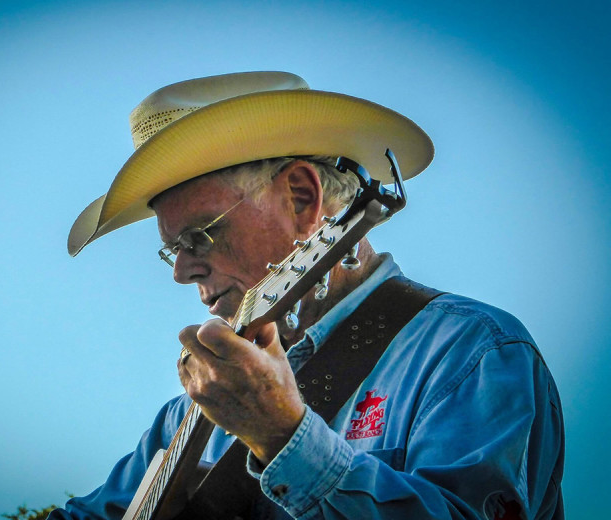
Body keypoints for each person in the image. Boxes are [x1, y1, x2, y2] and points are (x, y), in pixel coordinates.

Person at [49, 72, 564, 520]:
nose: (182, 271)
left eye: (200, 235)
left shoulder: (472, 353)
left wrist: (282, 436)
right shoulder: (188, 416)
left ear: (301, 199)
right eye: (173, 250)